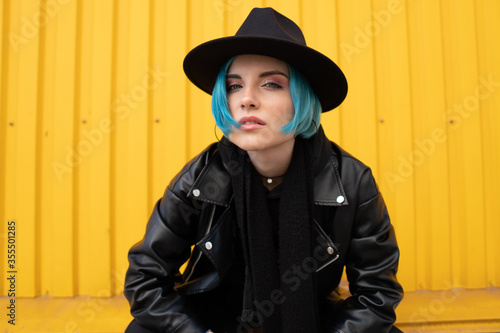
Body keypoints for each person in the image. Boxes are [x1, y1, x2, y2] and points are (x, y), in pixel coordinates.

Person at [124, 7, 403, 333]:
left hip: (309, 322)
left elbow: (377, 295)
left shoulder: (352, 182)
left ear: (303, 99)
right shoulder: (200, 179)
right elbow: (145, 278)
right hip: (212, 321)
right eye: (233, 86)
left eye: (270, 84)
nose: (247, 100)